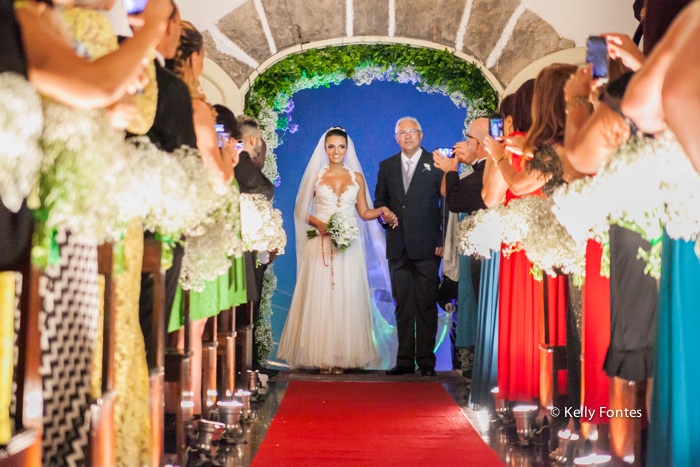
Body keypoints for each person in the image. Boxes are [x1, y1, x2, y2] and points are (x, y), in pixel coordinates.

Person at [278, 128, 398, 374]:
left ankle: (342, 356)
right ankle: (322, 356)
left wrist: (383, 211)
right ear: (325, 149)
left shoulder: (357, 178)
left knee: (346, 297)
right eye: (331, 146)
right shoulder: (317, 176)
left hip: (348, 247)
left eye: (340, 146)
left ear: (347, 148)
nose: (336, 151)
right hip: (320, 244)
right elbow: (299, 210)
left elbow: (364, 213)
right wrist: (320, 224)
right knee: (322, 296)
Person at [375, 117, 445, 377]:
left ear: (421, 134)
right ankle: (404, 360)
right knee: (402, 304)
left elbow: (446, 206)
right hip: (398, 246)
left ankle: (426, 361)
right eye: (401, 132)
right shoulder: (387, 166)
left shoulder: (436, 165)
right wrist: (384, 215)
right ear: (395, 137)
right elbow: (380, 201)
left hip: (428, 246)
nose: (407, 136)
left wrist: (442, 241)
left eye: (412, 131)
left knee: (426, 304)